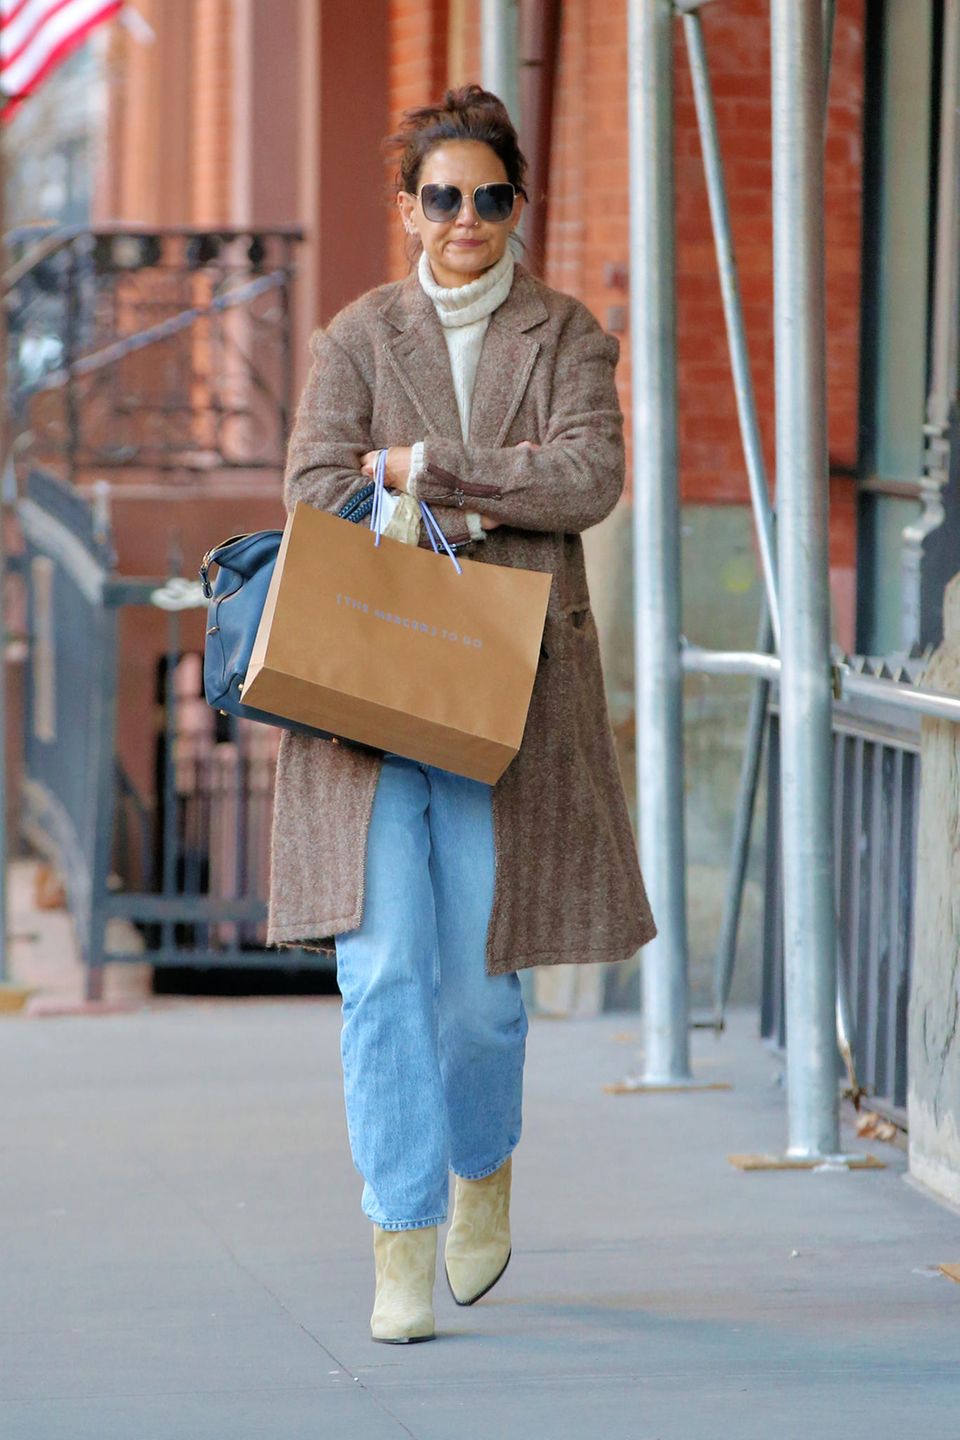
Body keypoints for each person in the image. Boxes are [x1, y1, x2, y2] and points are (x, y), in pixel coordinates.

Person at [267, 85, 656, 1344]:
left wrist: (428, 472)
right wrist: (477, 492)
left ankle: (481, 1163)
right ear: (408, 211)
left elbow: (588, 475)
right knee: (381, 972)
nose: (468, 217)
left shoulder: (568, 333)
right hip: (370, 700)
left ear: (517, 206)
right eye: (444, 197)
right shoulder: (359, 336)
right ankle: (400, 1232)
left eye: (491, 196)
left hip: (510, 698)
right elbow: (318, 485)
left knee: (483, 992)